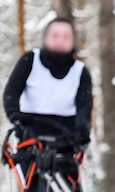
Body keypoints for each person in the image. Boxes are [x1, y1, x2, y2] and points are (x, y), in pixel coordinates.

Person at [3, 16, 92, 154]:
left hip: (66, 138)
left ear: (73, 42)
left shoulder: (81, 72)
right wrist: (15, 116)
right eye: (55, 35)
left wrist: (82, 132)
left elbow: (84, 109)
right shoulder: (30, 61)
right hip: (30, 132)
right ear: (45, 38)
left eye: (66, 36)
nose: (60, 40)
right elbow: (11, 92)